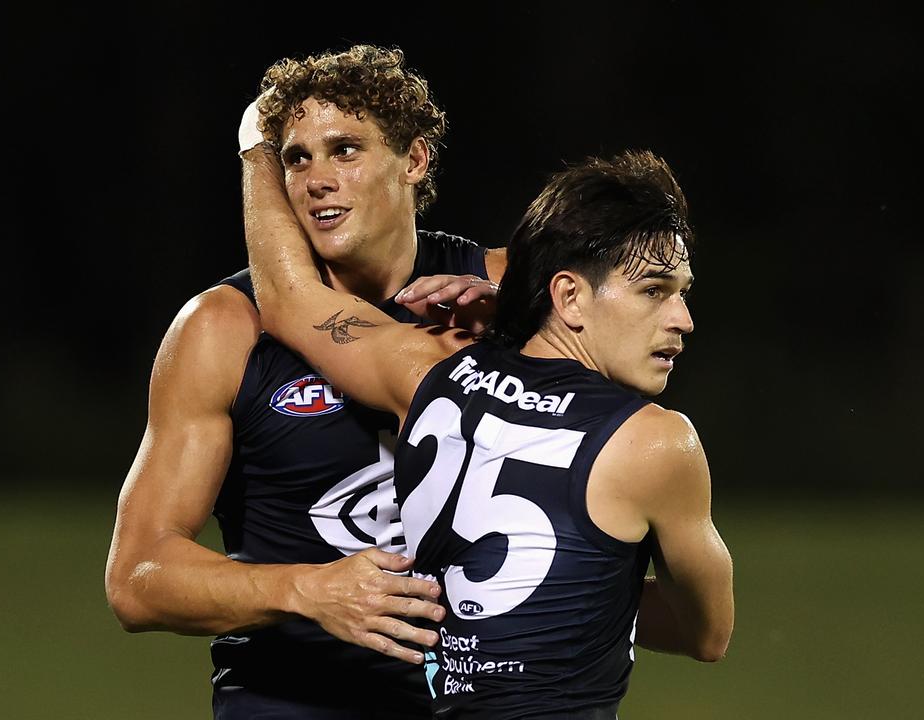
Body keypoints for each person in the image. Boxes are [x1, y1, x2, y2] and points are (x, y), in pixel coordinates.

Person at [240, 134, 735, 718]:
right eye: (654, 291)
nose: (683, 319)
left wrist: (256, 146)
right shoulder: (655, 441)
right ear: (570, 298)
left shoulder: (430, 373)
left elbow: (287, 295)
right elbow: (706, 634)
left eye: (681, 293)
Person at [105, 46, 505, 719]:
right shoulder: (223, 328)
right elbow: (138, 577)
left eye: (345, 150)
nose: (318, 178)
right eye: (296, 158)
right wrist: (308, 591)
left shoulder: (502, 294)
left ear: (415, 160)